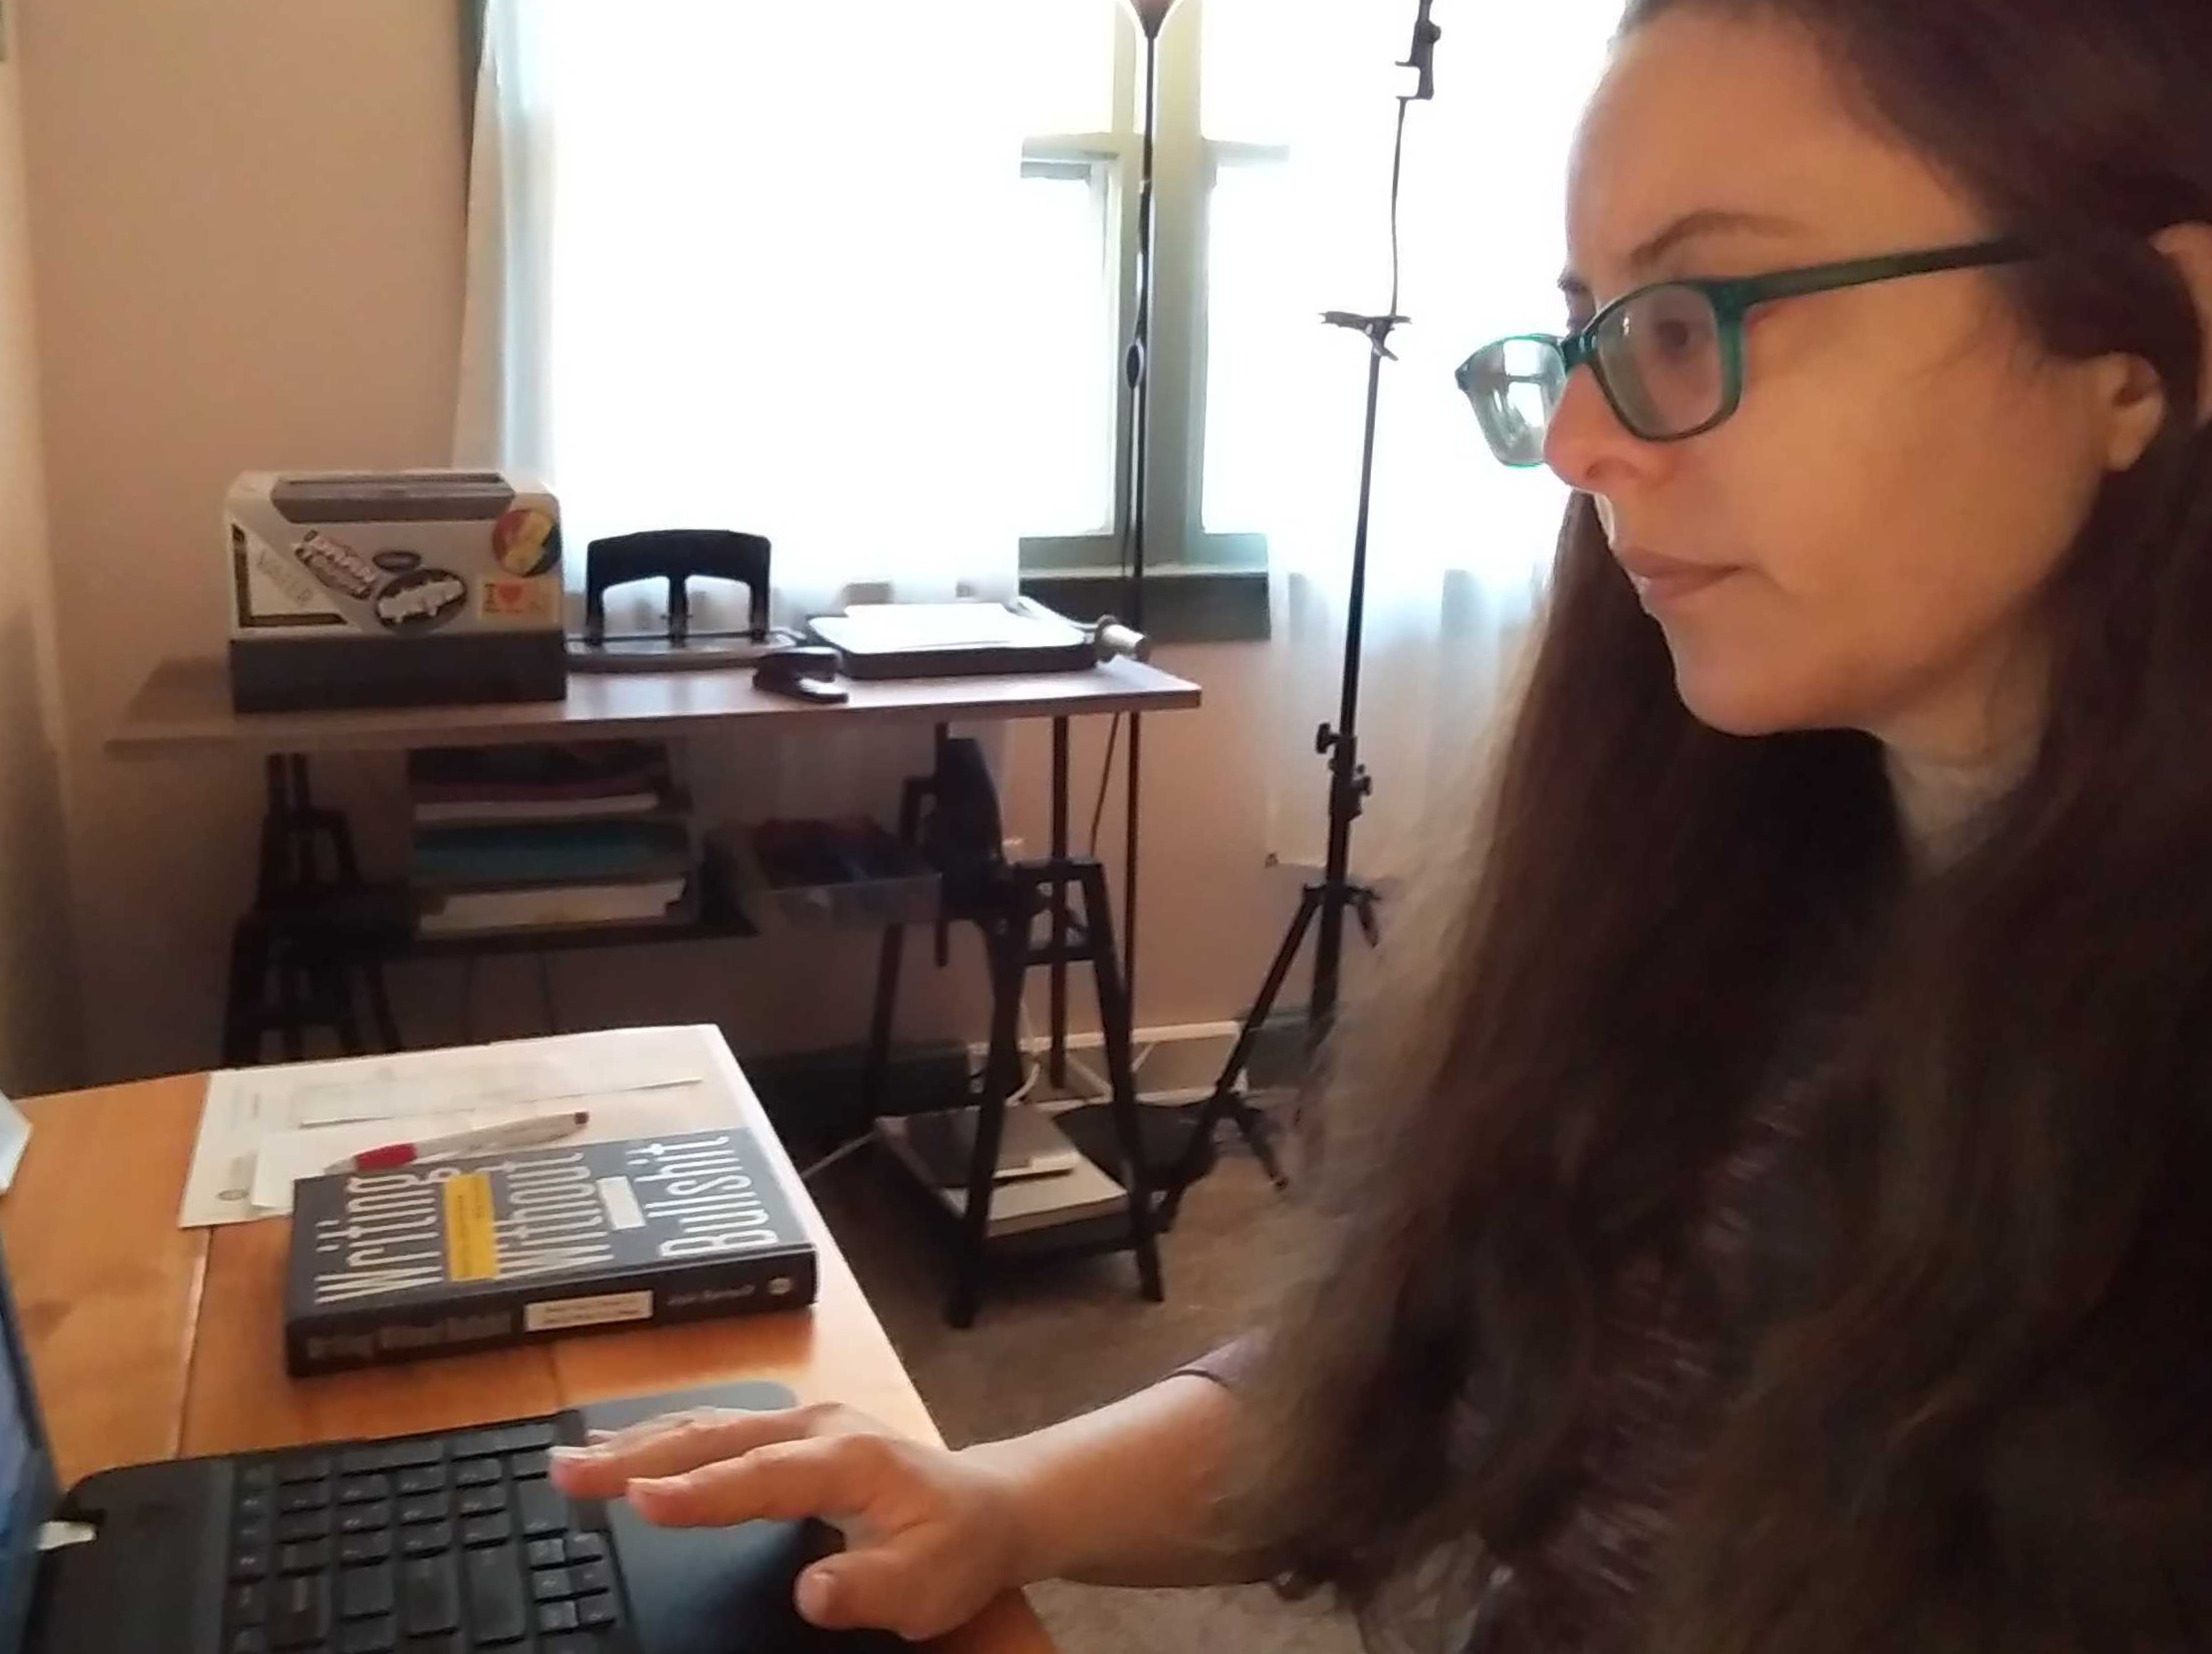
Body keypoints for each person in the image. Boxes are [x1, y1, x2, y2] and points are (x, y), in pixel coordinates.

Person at [552, 3, 2212, 1649]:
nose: (1576, 441)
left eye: (1698, 315)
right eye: (1591, 335)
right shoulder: (1749, 877)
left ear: (2149, 349)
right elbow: (1459, 1371)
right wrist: (999, 1496)